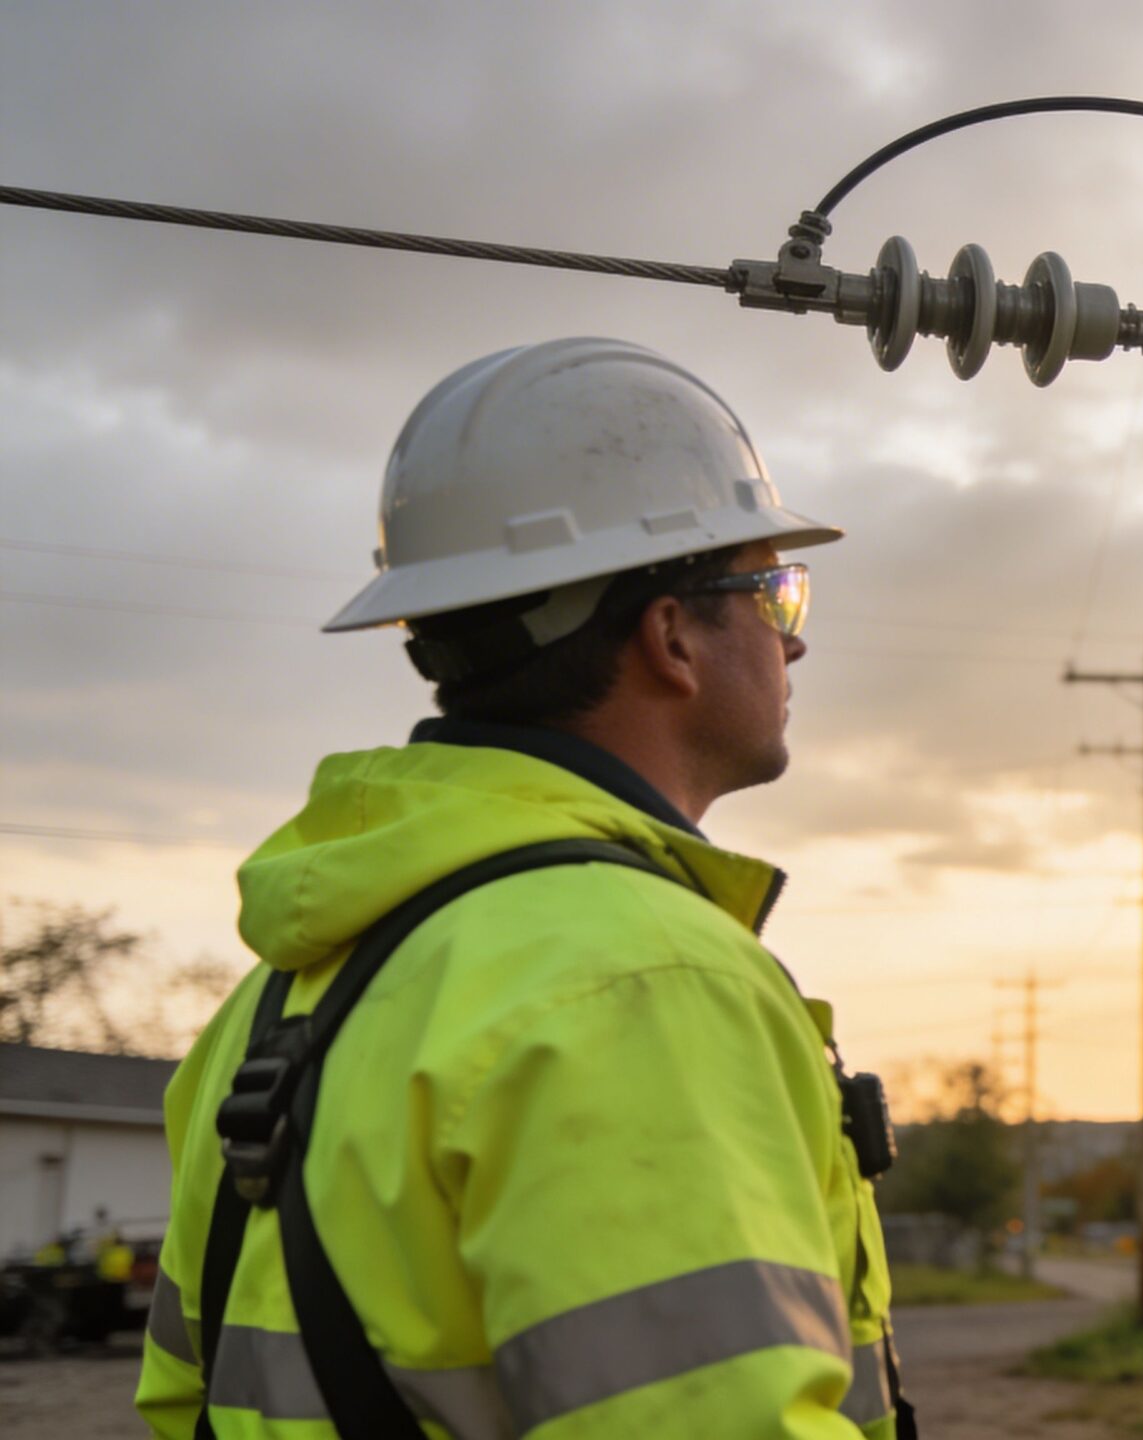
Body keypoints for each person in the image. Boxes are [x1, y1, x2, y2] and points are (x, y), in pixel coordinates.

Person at [138, 338, 910, 1438]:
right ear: (673, 635)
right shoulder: (643, 979)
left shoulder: (279, 995)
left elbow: (185, 1400)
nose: (797, 646)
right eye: (778, 594)